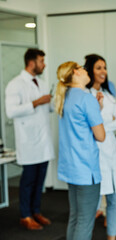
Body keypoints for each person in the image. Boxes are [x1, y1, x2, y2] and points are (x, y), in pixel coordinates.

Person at [55, 61, 105, 240]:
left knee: (75, 217)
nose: (86, 70)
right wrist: (96, 109)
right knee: (85, 220)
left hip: (71, 169)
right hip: (86, 170)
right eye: (82, 68)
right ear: (75, 73)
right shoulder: (86, 98)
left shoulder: (65, 96)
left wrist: (96, 108)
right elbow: (101, 136)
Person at [5, 48, 55, 230]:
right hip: (28, 142)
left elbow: (47, 108)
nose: (44, 64)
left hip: (43, 141)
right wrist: (36, 102)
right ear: (31, 62)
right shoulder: (15, 84)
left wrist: (51, 102)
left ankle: (36, 211)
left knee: (40, 180)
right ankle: (25, 215)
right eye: (42, 61)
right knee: (28, 182)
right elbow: (11, 111)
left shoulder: (41, 83)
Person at [84, 54, 116, 240]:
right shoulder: (85, 96)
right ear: (89, 71)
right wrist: (102, 121)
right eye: (98, 68)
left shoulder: (109, 94)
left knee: (114, 198)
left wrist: (102, 127)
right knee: (92, 201)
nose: (103, 71)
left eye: (104, 67)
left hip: (111, 148)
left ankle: (112, 237)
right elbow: (87, 125)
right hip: (94, 151)